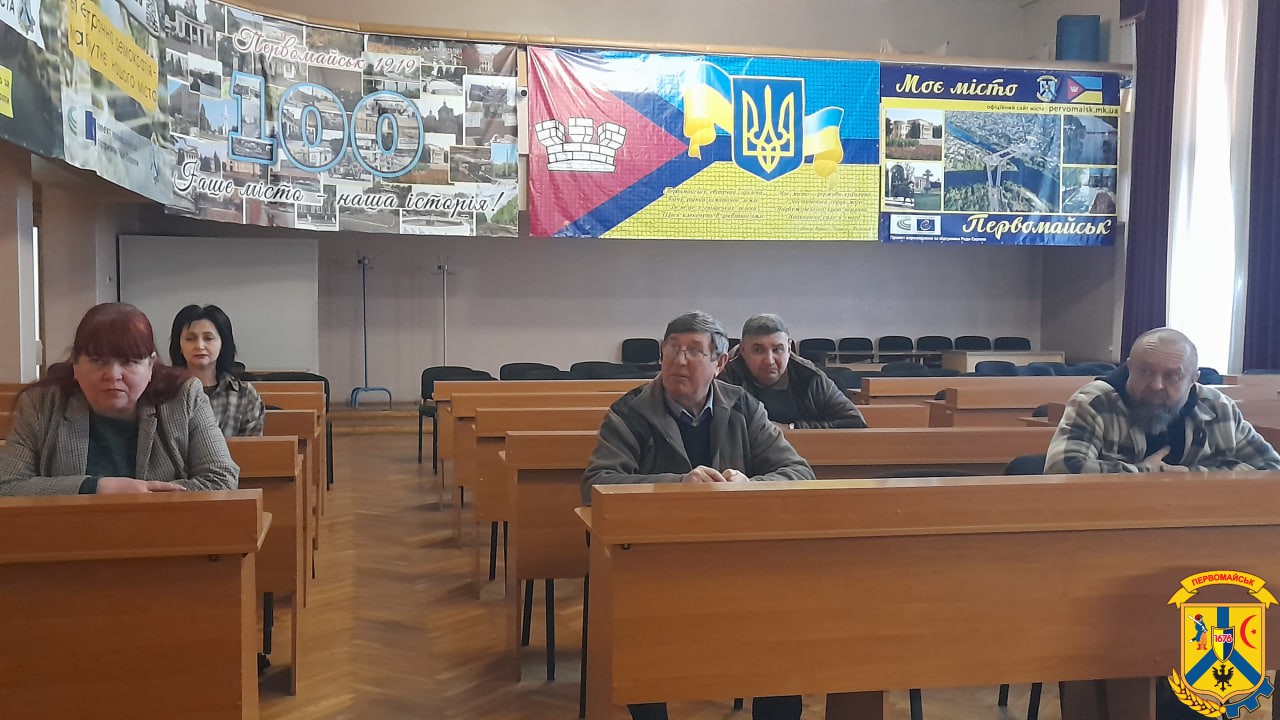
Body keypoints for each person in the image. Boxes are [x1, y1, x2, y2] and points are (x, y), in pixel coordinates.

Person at [583, 310, 813, 720]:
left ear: (720, 363)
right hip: (655, 563)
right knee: (641, 636)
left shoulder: (743, 406)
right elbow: (597, 483)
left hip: (738, 559)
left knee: (783, 626)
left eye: (693, 351)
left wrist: (750, 485)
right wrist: (677, 486)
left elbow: (798, 471)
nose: (680, 360)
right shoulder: (631, 412)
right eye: (672, 349)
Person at [0, 303, 239, 495]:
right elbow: (7, 485)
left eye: (129, 362)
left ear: (150, 365)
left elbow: (221, 478)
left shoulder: (184, 396)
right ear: (75, 364)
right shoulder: (42, 403)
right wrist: (95, 488)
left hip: (163, 532)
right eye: (98, 361)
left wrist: (142, 496)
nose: (113, 375)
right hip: (66, 535)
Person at [1046, 328, 1280, 473]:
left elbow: (1272, 468)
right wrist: (1143, 472)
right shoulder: (1096, 402)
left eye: (1172, 376)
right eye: (1145, 372)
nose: (1156, 385)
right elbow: (1061, 468)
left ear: (1193, 380)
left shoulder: (1218, 408)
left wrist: (1193, 476)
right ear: (1129, 368)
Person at [719, 314, 866, 429]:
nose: (769, 360)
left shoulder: (810, 377)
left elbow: (854, 422)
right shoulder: (725, 376)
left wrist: (792, 428)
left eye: (777, 349)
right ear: (743, 349)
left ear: (789, 349)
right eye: (758, 350)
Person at [169, 304, 264, 438]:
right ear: (179, 345)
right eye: (190, 339)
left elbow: (252, 448)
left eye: (208, 338)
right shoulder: (165, 394)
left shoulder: (245, 395)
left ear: (223, 343)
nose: (199, 346)